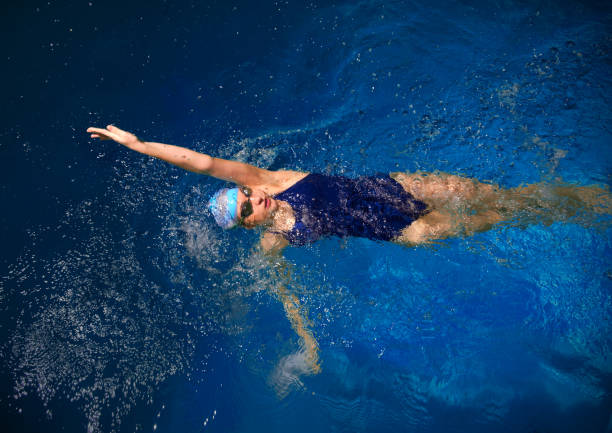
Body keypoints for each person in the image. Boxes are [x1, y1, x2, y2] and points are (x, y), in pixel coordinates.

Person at [87, 124, 610, 389]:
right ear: (247, 223)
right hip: (400, 229)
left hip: (391, 186)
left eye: (247, 192)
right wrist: (308, 344)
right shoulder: (274, 242)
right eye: (247, 206)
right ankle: (575, 209)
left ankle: (587, 198)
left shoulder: (268, 178)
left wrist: (137, 145)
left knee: (492, 194)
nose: (254, 198)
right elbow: (286, 293)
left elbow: (198, 162)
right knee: (507, 215)